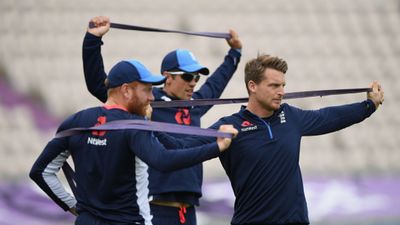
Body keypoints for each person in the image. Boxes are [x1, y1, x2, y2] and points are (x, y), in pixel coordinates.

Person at [156, 54, 384, 225]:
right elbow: (181, 147)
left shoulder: (291, 116)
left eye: (283, 85)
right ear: (252, 87)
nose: (281, 92)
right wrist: (146, 125)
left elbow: (328, 117)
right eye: (274, 85)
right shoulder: (230, 126)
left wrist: (368, 106)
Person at [29, 59, 238, 225]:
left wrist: (74, 207)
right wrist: (217, 146)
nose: (150, 98)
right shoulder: (135, 126)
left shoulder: (77, 120)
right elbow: (164, 159)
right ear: (127, 90)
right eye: (146, 90)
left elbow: (40, 172)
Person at [83, 16, 242, 225]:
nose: (193, 83)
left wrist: (235, 53)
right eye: (187, 77)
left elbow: (217, 82)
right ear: (168, 76)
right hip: (154, 209)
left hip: (189, 210)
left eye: (197, 77)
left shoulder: (194, 104)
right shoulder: (148, 101)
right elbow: (99, 87)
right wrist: (92, 41)